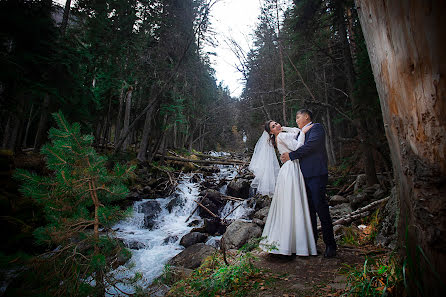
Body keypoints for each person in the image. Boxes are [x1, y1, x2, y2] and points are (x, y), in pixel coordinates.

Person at [249, 120, 316, 256]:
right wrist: (303, 132)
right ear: (270, 132)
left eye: (277, 123)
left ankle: (288, 243)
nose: (277, 125)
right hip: (291, 169)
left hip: (287, 170)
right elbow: (298, 147)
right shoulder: (282, 137)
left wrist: (283, 128)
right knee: (294, 202)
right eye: (274, 126)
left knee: (288, 204)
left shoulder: (280, 136)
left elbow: (295, 132)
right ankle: (296, 245)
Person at [280, 109, 337, 258]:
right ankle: (312, 245)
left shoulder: (316, 128)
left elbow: (311, 146)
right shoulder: (300, 132)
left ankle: (330, 245)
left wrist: (291, 156)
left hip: (316, 174)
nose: (297, 120)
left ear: (306, 117)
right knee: (309, 210)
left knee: (321, 207)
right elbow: (291, 133)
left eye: (298, 117)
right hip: (302, 176)